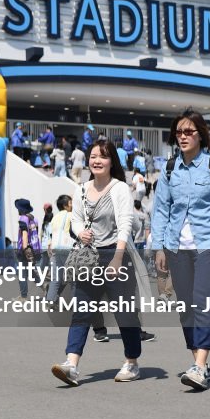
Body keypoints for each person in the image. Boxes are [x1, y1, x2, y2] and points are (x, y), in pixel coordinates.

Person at [151, 109, 210, 391]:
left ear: (201, 135)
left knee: (202, 301)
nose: (182, 137)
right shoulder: (170, 169)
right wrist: (158, 247)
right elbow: (160, 210)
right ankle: (198, 363)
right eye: (178, 132)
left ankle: (200, 365)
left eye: (188, 132)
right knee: (186, 307)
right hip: (176, 245)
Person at [50, 139, 141, 386]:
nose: (96, 161)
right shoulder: (81, 188)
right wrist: (80, 232)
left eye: (102, 156)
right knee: (81, 311)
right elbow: (76, 219)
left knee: (124, 313)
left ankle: (132, 362)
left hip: (115, 254)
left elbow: (125, 223)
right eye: (93, 156)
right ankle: (71, 364)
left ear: (112, 161)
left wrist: (118, 258)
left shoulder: (120, 188)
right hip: (89, 257)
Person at [46, 194, 75, 303]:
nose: (72, 205)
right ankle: (76, 304)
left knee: (56, 277)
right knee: (73, 279)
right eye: (71, 203)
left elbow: (50, 233)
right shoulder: (70, 215)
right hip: (67, 248)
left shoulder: (55, 217)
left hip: (55, 248)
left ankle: (50, 300)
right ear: (65, 205)